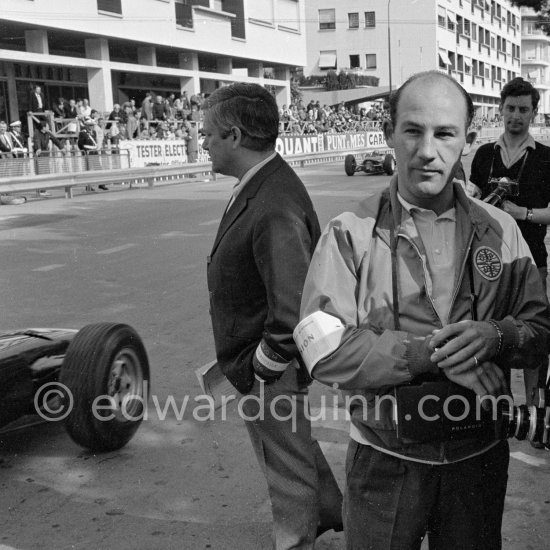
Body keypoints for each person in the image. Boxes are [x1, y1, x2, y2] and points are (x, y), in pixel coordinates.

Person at [295, 71, 550, 549]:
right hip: (384, 460)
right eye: (412, 130)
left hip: (479, 457)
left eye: (445, 133)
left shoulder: (502, 232)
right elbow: (322, 349)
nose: (427, 150)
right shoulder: (350, 232)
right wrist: (428, 354)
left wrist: (499, 337)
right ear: (388, 133)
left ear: (469, 140)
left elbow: (540, 329)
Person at [203, 83, 343, 549]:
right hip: (259, 361)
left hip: (268, 368)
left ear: (236, 136)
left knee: (284, 466)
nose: (202, 143)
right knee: (290, 449)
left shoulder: (273, 200)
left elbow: (290, 306)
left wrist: (261, 368)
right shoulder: (264, 184)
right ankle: (337, 513)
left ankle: (297, 539)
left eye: (208, 134)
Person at [469, 77, 550, 423]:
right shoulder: (484, 154)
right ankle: (495, 410)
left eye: (524, 109)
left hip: (531, 262)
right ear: (500, 109)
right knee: (491, 336)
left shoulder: (546, 157)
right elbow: (468, 200)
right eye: (511, 108)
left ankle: (535, 410)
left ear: (534, 113)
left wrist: (523, 214)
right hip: (486, 266)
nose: (516, 115)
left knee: (533, 343)